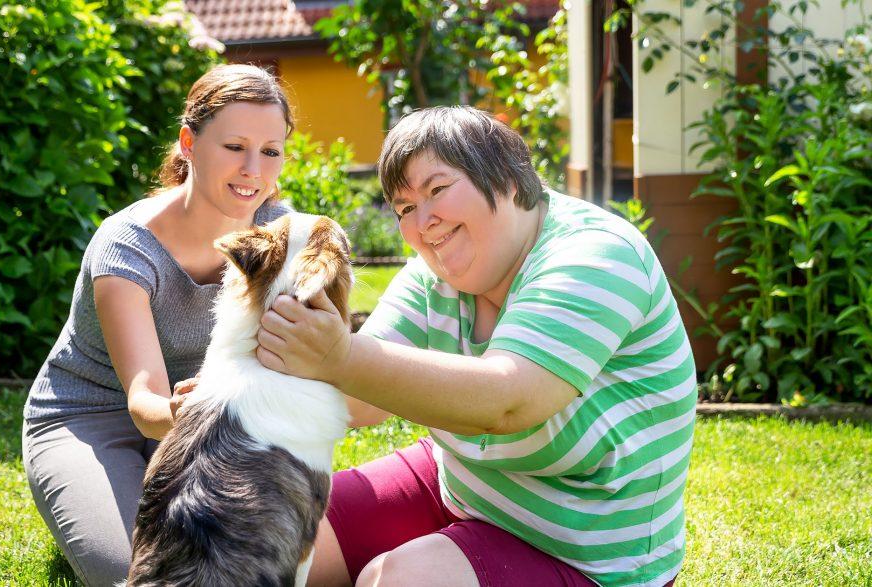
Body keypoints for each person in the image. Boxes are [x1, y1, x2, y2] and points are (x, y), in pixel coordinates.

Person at [257, 106, 696, 587]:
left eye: (437, 189)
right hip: (465, 487)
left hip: (587, 551)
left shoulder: (595, 255)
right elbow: (359, 399)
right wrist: (240, 392)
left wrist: (338, 357)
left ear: (504, 177)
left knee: (400, 580)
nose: (423, 222)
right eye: (404, 208)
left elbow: (507, 400)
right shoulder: (434, 275)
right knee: (267, 529)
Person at [21, 64, 294, 586]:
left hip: (210, 423)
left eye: (270, 151)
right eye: (234, 146)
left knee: (258, 560)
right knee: (145, 573)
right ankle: (81, 491)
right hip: (95, 418)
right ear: (189, 143)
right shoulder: (126, 246)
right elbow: (144, 401)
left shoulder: (278, 233)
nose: (253, 170)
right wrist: (185, 411)